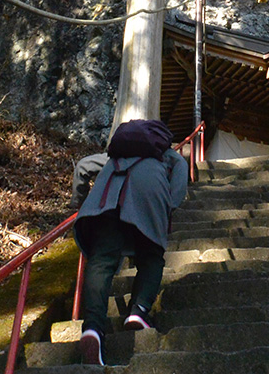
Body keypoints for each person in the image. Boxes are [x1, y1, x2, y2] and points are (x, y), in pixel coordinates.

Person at [71, 127, 188, 365]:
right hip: (149, 192)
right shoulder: (165, 153)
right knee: (151, 254)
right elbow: (182, 170)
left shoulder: (115, 155)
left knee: (101, 260)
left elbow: (83, 167)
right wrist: (170, 204)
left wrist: (80, 204)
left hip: (107, 196)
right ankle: (138, 311)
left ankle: (92, 327)